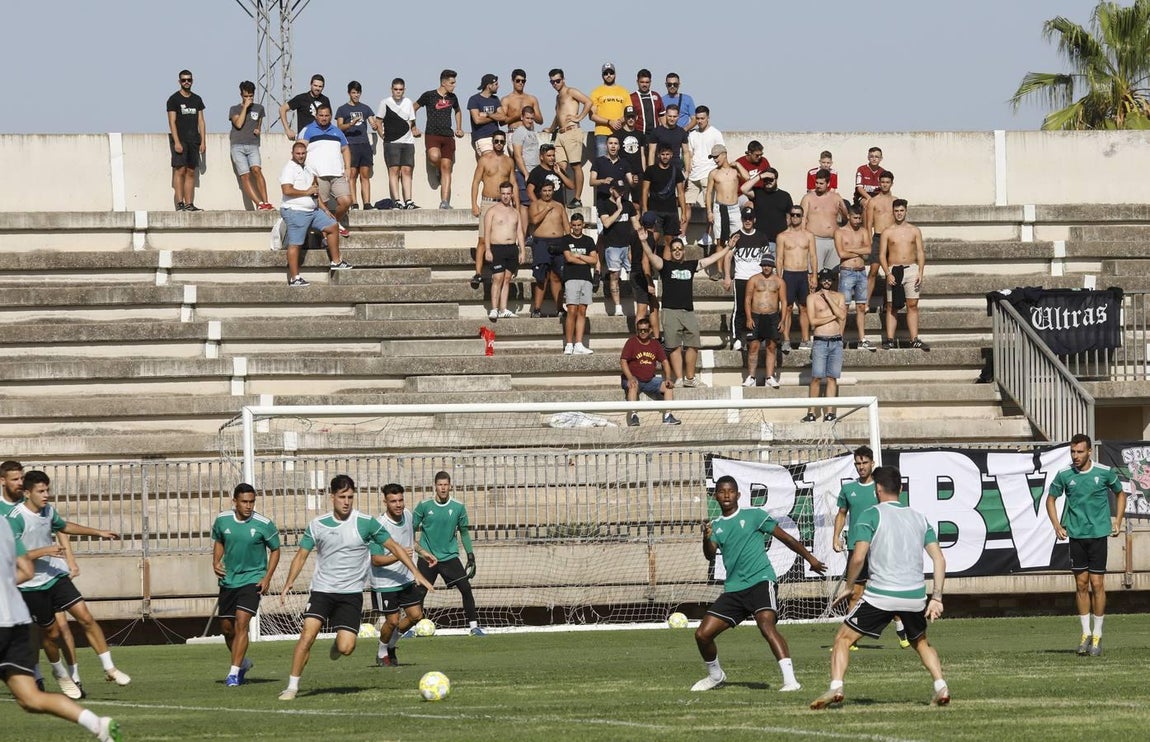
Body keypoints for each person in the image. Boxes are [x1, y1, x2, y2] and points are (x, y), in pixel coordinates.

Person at [277, 474, 433, 701]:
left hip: (350, 595)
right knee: (307, 636)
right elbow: (301, 555)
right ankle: (292, 687)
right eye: (342, 497)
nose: (346, 502)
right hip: (322, 591)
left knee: (346, 648)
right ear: (332, 496)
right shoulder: (318, 524)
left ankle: (338, 644)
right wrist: (289, 582)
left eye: (350, 497)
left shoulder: (366, 523)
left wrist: (416, 572)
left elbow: (395, 547)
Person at [811, 465, 950, 710]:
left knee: (843, 638)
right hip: (914, 597)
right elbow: (939, 558)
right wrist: (936, 597)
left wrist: (849, 586)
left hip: (880, 596)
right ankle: (941, 686)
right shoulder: (919, 517)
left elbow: (858, 558)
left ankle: (836, 687)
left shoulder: (870, 515)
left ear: (877, 489)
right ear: (901, 489)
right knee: (921, 642)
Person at [694, 476, 827, 692]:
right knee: (702, 634)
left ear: (738, 495)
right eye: (722, 491)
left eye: (730, 491)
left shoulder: (754, 515)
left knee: (766, 625)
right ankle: (715, 675)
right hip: (734, 589)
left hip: (761, 581)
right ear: (715, 496)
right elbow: (710, 555)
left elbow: (786, 538)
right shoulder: (716, 526)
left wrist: (810, 559)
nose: (726, 495)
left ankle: (790, 681)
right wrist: (705, 538)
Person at [7, 471, 129, 697]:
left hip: (55, 576)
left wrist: (98, 532)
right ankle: (58, 672)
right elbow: (14, 556)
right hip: (31, 585)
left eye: (47, 490)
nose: (46, 495)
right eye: (41, 491)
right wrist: (46, 550)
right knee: (51, 634)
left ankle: (109, 668)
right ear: (27, 493)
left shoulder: (48, 511)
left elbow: (64, 526)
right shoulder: (15, 518)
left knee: (85, 616)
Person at [0, 518, 121, 741]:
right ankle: (97, 724)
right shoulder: (4, 523)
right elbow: (26, 570)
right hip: (14, 623)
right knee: (31, 699)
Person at [1045, 433, 1125, 657]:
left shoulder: (1104, 472)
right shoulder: (1065, 474)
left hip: (1098, 535)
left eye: (1080, 451)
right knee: (1081, 584)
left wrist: (1117, 521)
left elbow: (1120, 494)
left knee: (1097, 584)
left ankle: (1097, 635)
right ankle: (1085, 633)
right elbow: (1050, 499)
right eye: (1073, 451)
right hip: (1076, 536)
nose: (1075, 456)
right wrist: (1056, 525)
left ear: (1090, 451)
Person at [830, 446, 908, 648]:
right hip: (857, 546)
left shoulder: (881, 488)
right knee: (854, 593)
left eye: (864, 462)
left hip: (881, 546)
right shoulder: (848, 489)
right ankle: (851, 640)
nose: (861, 467)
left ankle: (902, 631)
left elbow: (894, 512)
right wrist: (836, 537)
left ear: (872, 463)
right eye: (858, 463)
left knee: (889, 590)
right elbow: (841, 514)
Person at [211, 483, 280, 687]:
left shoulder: (263, 524)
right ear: (235, 501)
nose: (248, 506)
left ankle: (233, 674)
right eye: (244, 502)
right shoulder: (222, 520)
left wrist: (267, 577)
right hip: (229, 580)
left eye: (252, 502)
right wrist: (215, 562)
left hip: (252, 579)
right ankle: (242, 663)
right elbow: (219, 540)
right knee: (227, 628)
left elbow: (276, 550)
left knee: (242, 623)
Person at [642, 237, 730, 387]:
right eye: (674, 249)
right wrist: (644, 242)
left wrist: (728, 248)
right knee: (674, 346)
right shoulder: (665, 265)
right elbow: (651, 256)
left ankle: (690, 378)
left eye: (679, 249)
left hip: (688, 311)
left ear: (684, 251)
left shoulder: (691, 265)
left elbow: (710, 259)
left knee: (693, 343)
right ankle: (679, 378)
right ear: (671, 251)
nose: (677, 251)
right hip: (670, 311)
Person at [369, 483, 436, 667]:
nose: (398, 505)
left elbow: (409, 541)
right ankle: (382, 652)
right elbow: (376, 560)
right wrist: (398, 556)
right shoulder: (379, 526)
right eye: (393, 501)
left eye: (400, 500)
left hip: (405, 578)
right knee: (392, 621)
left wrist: (423, 553)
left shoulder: (407, 515)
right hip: (385, 582)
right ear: (385, 502)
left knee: (416, 615)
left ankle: (390, 645)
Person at [413, 471, 485, 636]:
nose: (443, 488)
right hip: (427, 557)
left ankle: (474, 627)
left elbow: (464, 532)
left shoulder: (458, 507)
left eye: (446, 485)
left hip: (449, 557)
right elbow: (409, 529)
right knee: (419, 593)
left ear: (450, 486)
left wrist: (470, 554)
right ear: (435, 486)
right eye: (440, 485)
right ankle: (411, 628)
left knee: (466, 588)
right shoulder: (424, 505)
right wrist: (417, 550)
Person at [278, 141, 349, 287]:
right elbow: (286, 190)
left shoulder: (308, 169)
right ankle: (294, 278)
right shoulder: (289, 168)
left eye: (303, 153)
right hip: (295, 211)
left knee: (332, 226)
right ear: (292, 154)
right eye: (298, 153)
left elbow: (315, 192)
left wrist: (324, 209)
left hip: (313, 210)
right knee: (296, 244)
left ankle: (336, 261)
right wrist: (306, 192)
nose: (300, 156)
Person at [879, 199, 929, 350]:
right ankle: (890, 339)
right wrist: (887, 273)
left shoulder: (914, 230)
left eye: (901, 210)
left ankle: (914, 339)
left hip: (911, 269)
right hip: (894, 270)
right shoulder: (887, 232)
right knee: (891, 306)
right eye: (896, 211)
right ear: (893, 212)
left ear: (906, 211)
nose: (899, 213)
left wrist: (920, 272)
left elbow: (920, 252)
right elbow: (882, 255)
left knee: (912, 305)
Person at [299, 104, 353, 238]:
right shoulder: (307, 130)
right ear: (316, 116)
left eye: (327, 115)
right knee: (323, 206)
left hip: (337, 174)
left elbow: (345, 149)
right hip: (317, 175)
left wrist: (347, 167)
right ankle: (328, 233)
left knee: (346, 201)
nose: (324, 118)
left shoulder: (337, 131)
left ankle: (335, 222)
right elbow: (299, 150)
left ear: (330, 116)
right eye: (321, 115)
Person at [471, 133, 517, 287]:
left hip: (504, 203)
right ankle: (478, 273)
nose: (499, 144)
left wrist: (515, 202)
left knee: (502, 239)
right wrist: (474, 204)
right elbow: (476, 182)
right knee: (483, 239)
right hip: (488, 202)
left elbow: (513, 183)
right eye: (496, 141)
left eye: (502, 141)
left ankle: (505, 270)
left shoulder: (509, 161)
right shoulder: (484, 160)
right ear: (492, 142)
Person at [414, 70, 464, 209]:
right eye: (451, 83)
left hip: (448, 135)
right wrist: (413, 126)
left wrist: (459, 127)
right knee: (434, 157)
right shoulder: (429, 95)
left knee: (447, 167)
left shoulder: (453, 97)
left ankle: (445, 202)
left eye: (454, 83)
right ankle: (437, 168)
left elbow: (458, 110)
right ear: (443, 82)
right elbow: (413, 107)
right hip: (432, 134)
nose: (454, 85)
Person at [725, 206, 772, 351]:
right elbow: (727, 257)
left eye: (750, 218)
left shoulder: (762, 237)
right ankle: (737, 338)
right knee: (739, 309)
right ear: (741, 219)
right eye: (745, 218)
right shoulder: (736, 236)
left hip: (757, 279)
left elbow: (767, 258)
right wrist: (727, 276)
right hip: (740, 277)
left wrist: (769, 277)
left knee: (759, 308)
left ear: (754, 220)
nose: (747, 221)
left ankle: (759, 336)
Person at [803, 268, 846, 422]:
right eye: (824, 279)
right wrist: (833, 316)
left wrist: (828, 298)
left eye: (829, 279)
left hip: (836, 341)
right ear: (820, 280)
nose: (826, 282)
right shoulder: (812, 298)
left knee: (832, 378)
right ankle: (811, 412)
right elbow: (813, 321)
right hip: (820, 341)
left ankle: (830, 413)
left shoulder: (839, 296)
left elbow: (843, 316)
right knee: (816, 377)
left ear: (832, 281)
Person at [619, 317, 680, 426]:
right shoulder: (631, 342)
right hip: (634, 378)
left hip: (649, 380)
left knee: (668, 386)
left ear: (650, 330)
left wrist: (668, 378)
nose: (642, 332)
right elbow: (623, 361)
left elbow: (665, 362)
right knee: (633, 384)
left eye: (645, 330)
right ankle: (633, 416)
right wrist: (630, 377)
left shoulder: (655, 344)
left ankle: (668, 416)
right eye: (640, 330)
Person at [543, 68, 590, 208]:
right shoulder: (558, 97)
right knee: (559, 167)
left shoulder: (571, 91)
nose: (555, 84)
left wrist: (579, 117)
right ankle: (559, 198)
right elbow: (558, 115)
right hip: (560, 134)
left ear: (563, 79)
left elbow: (588, 102)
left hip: (572, 132)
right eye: (552, 82)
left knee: (575, 165)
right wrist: (551, 129)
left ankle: (577, 198)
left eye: (557, 81)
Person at [482, 181, 526, 320]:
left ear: (512, 194)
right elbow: (486, 232)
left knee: (507, 279)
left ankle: (503, 308)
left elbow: (519, 232)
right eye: (503, 194)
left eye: (508, 193)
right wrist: (487, 249)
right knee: (497, 278)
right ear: (499, 194)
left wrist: (522, 251)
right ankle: (494, 308)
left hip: (511, 248)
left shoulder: (515, 212)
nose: (506, 196)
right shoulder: (492, 211)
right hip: (497, 248)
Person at [776, 206, 817, 352]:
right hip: (788, 274)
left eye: (798, 215)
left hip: (803, 274)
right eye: (793, 215)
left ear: (802, 217)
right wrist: (779, 278)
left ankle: (805, 340)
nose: (795, 217)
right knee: (787, 308)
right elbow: (779, 259)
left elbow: (813, 256)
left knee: (804, 308)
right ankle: (786, 340)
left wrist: (814, 275)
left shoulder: (809, 236)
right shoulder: (782, 236)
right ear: (789, 216)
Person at [375, 78, 419, 210]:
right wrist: (384, 137)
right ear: (391, 89)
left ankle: (408, 201)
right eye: (396, 89)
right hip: (391, 142)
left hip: (408, 142)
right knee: (394, 170)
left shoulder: (408, 102)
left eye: (400, 89)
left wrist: (413, 131)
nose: (398, 92)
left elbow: (412, 121)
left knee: (407, 170)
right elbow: (378, 122)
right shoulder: (385, 103)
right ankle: (397, 201)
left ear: (404, 90)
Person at [835, 205, 875, 350]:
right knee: (844, 306)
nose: (858, 221)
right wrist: (859, 251)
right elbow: (841, 253)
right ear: (848, 216)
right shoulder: (840, 232)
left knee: (861, 306)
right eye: (855, 218)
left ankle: (862, 339)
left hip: (861, 271)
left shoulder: (863, 231)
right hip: (847, 271)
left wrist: (851, 249)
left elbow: (868, 250)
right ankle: (839, 338)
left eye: (859, 218)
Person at [685, 107, 725, 249]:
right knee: (686, 205)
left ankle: (707, 235)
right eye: (698, 118)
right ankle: (682, 236)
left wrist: (719, 172)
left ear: (708, 118)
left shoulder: (715, 133)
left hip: (708, 174)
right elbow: (689, 154)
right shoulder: (692, 135)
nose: (700, 121)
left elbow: (722, 153)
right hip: (693, 175)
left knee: (710, 206)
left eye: (702, 118)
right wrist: (687, 172)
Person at [166, 69, 206, 212]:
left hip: (194, 140)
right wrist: (176, 142)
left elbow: (201, 121)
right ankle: (180, 203)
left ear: (192, 81)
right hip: (180, 140)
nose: (186, 82)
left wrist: (203, 141)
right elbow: (172, 121)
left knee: (190, 171)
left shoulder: (197, 99)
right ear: (179, 82)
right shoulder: (173, 99)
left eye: (189, 79)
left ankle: (189, 204)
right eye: (184, 80)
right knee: (180, 170)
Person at [228, 81, 272, 210]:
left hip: (253, 145)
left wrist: (258, 129)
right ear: (241, 95)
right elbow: (238, 124)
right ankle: (259, 204)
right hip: (237, 145)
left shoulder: (259, 108)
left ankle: (266, 202)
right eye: (246, 96)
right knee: (245, 175)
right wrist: (245, 107)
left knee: (257, 170)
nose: (248, 98)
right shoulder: (234, 109)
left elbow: (258, 123)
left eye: (251, 96)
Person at [743, 255, 785, 388]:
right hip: (756, 316)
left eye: (769, 265)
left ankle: (769, 377)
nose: (766, 267)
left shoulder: (779, 281)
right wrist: (749, 318)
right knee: (753, 347)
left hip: (772, 317)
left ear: (773, 266)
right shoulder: (753, 279)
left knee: (771, 347)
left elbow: (784, 302)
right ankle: (751, 377)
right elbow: (747, 299)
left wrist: (782, 320)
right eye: (764, 265)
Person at [599, 184, 640, 317]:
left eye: (623, 191)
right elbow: (606, 223)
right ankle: (617, 307)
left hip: (628, 246)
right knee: (614, 276)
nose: (621, 193)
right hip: (613, 246)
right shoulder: (604, 205)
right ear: (611, 190)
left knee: (635, 274)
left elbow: (636, 224)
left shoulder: (628, 204)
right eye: (619, 191)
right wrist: (619, 209)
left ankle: (639, 303)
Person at [335, 81, 376, 211]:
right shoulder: (342, 109)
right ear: (349, 93)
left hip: (364, 144)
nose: (356, 95)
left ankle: (367, 203)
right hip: (350, 145)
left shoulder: (366, 108)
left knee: (365, 175)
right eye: (353, 92)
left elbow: (373, 122)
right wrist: (350, 124)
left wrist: (374, 125)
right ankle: (354, 203)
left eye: (358, 92)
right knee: (352, 175)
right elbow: (339, 127)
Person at [561, 213, 598, 354]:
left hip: (586, 278)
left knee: (582, 310)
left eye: (579, 225)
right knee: (571, 310)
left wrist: (579, 256)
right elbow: (569, 258)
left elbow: (594, 260)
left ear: (583, 225)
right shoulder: (566, 239)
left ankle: (579, 344)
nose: (576, 228)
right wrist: (585, 260)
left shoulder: (589, 240)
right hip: (571, 277)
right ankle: (569, 344)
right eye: (574, 225)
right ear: (571, 225)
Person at [641, 144, 688, 251]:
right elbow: (645, 190)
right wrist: (645, 209)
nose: (665, 156)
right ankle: (652, 261)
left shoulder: (676, 171)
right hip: (654, 209)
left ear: (671, 155)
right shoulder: (650, 170)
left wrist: (683, 213)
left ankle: (666, 262)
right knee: (653, 239)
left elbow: (681, 193)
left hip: (671, 210)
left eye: (667, 154)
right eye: (663, 154)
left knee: (669, 241)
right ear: (658, 155)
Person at [800, 169, 848, 271]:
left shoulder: (836, 198)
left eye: (821, 183)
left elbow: (846, 219)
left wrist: (844, 210)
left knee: (833, 274)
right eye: (816, 183)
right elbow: (802, 219)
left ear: (828, 183)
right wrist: (803, 239)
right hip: (816, 240)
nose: (818, 185)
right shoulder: (808, 198)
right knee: (814, 272)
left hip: (834, 241)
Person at [705, 144, 741, 278]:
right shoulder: (713, 173)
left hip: (734, 208)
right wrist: (709, 211)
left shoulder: (735, 171)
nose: (715, 160)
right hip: (720, 208)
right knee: (720, 240)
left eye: (717, 156)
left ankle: (737, 269)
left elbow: (747, 177)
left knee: (738, 238)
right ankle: (719, 271)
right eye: (713, 157)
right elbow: (709, 193)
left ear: (724, 154)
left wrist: (738, 165)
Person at [740, 167, 792, 253]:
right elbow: (743, 189)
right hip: (759, 241)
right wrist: (760, 176)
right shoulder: (757, 192)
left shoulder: (785, 196)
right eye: (765, 179)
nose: (768, 182)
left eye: (770, 179)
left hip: (778, 242)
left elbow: (789, 218)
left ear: (776, 179)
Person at [864, 170, 896, 310]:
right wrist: (869, 241)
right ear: (879, 183)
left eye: (887, 182)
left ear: (892, 183)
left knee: (891, 271)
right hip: (878, 237)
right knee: (873, 270)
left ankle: (887, 303)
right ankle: (866, 302)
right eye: (882, 182)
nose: (885, 185)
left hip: (892, 239)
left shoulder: (895, 201)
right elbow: (868, 223)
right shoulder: (873, 201)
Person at [589, 62, 629, 168]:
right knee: (602, 164)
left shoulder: (623, 91)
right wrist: (609, 122)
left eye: (611, 73)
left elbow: (629, 113)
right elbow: (592, 115)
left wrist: (619, 121)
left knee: (621, 164)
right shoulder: (596, 92)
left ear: (615, 74)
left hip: (620, 131)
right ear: (602, 75)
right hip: (602, 133)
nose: (608, 75)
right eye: (606, 73)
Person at [590, 134, 635, 218]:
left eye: (615, 143)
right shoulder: (598, 161)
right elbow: (592, 181)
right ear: (606, 146)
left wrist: (635, 181)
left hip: (620, 202)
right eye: (610, 143)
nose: (613, 146)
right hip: (603, 202)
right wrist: (603, 181)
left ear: (619, 147)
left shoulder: (624, 163)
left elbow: (631, 183)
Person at [509, 105, 541, 224]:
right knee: (525, 204)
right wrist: (526, 173)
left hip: (535, 171)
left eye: (532, 118)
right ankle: (523, 233)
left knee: (535, 203)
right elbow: (517, 155)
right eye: (527, 118)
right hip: (524, 173)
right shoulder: (519, 132)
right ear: (522, 117)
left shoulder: (531, 131)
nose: (530, 121)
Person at [279, 74, 330, 140]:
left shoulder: (325, 100)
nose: (317, 88)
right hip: (304, 138)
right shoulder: (301, 98)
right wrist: (287, 130)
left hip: (321, 137)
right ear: (311, 85)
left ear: (323, 87)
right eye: (315, 85)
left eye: (320, 86)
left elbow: (329, 117)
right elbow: (282, 109)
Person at [468, 73, 506, 156]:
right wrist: (495, 116)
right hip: (482, 138)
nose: (498, 86)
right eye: (496, 84)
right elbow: (477, 120)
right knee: (489, 160)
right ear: (489, 86)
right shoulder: (474, 99)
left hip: (496, 138)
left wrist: (487, 114)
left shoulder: (495, 99)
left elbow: (503, 117)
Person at [526, 142, 574, 206]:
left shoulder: (558, 169)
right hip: (544, 208)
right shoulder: (536, 172)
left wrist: (559, 173)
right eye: (549, 156)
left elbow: (571, 186)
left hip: (559, 207)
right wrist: (539, 205)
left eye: (553, 155)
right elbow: (529, 191)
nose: (552, 158)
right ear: (541, 157)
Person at [647, 105, 690, 171]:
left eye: (674, 116)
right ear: (666, 116)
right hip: (659, 169)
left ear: (678, 117)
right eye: (670, 116)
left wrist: (687, 171)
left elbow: (686, 152)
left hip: (676, 169)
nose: (672, 119)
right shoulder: (656, 131)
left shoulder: (682, 132)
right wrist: (650, 171)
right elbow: (651, 152)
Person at [629, 68, 664, 135]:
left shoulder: (656, 96)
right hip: (638, 134)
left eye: (647, 82)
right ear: (637, 82)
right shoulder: (632, 97)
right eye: (642, 82)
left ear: (650, 82)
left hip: (655, 135)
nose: (644, 85)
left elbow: (662, 116)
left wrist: (665, 132)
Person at [618, 107, 646, 186]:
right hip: (623, 171)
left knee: (638, 193)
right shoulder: (618, 134)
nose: (631, 119)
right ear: (624, 118)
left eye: (632, 117)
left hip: (638, 171)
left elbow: (642, 154)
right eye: (628, 117)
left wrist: (644, 171)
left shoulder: (640, 134)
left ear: (636, 117)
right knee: (623, 193)